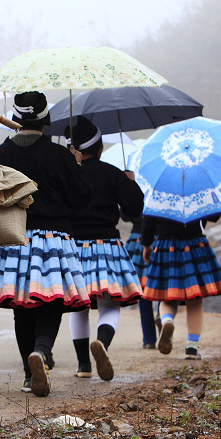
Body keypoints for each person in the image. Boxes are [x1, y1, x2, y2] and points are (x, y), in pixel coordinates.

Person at [0, 91, 92, 397]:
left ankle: (29, 374)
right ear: (46, 120)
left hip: (13, 238)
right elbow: (82, 200)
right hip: (53, 239)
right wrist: (76, 166)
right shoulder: (59, 155)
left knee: (22, 306)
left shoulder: (1, 154)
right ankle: (42, 351)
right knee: (51, 300)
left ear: (15, 119)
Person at [64, 117, 144, 382]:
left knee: (79, 307)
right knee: (110, 304)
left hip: (73, 246)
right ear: (99, 147)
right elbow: (134, 210)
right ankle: (103, 345)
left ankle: (83, 364)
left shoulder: (68, 173)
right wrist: (129, 182)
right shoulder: (111, 173)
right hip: (106, 246)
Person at [141, 214, 221, 359]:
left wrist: (146, 244)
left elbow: (148, 219)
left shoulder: (160, 192)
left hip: (166, 246)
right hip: (194, 244)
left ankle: (167, 321)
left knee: (167, 298)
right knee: (195, 301)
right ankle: (191, 348)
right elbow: (214, 216)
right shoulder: (197, 192)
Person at [122, 212, 159, 349]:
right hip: (163, 238)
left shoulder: (136, 189)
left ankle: (149, 339)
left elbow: (125, 215)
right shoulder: (165, 190)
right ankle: (163, 315)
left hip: (138, 238)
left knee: (142, 290)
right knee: (163, 283)